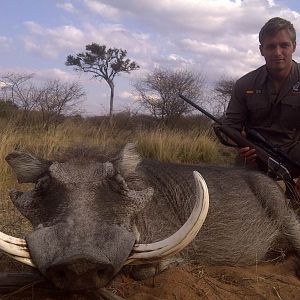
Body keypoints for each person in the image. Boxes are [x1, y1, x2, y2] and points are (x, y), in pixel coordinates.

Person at [223, 17, 300, 198]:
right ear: (261, 50)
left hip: (294, 151)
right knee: (241, 202)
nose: (278, 52)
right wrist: (241, 147)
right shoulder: (244, 83)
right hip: (255, 154)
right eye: (271, 46)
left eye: (284, 45)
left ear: (294, 46)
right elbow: (230, 127)